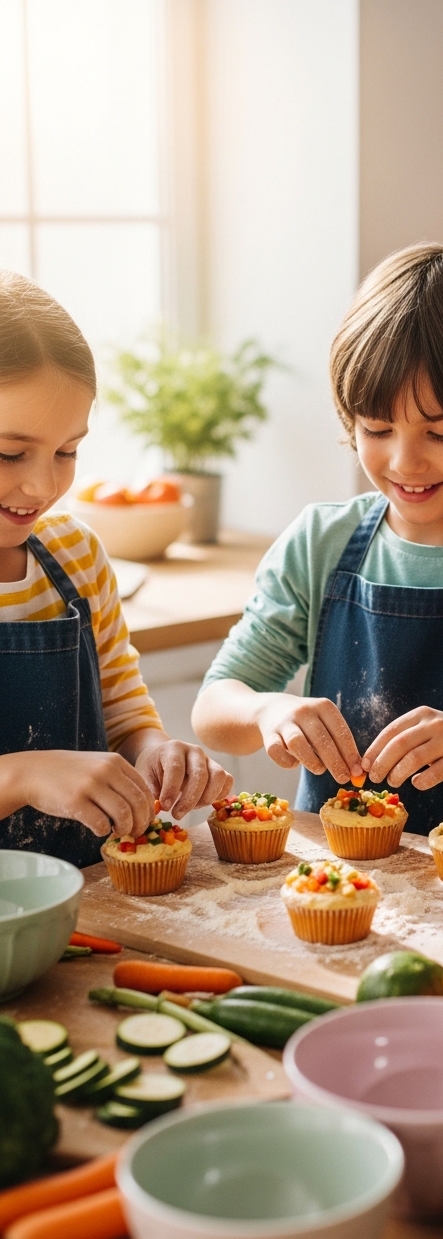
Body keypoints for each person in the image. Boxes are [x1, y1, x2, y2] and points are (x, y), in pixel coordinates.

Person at [192, 243, 443, 849]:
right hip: (336, 879)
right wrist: (265, 713)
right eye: (376, 429)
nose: (404, 461)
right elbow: (213, 708)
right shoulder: (320, 542)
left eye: (442, 433)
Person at [0, 270, 231, 867]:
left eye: (67, 451)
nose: (42, 484)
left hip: (88, 905)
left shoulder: (75, 557)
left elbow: (123, 708)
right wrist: (24, 775)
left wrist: (153, 749)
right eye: (9, 452)